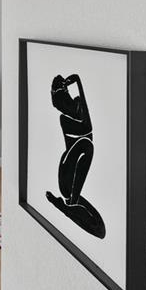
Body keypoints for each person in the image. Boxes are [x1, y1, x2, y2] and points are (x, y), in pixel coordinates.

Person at [45, 73, 106, 239]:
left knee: (86, 144)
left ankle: (67, 205)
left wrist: (78, 82)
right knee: (86, 145)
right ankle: (68, 205)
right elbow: (84, 125)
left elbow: (86, 124)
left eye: (61, 99)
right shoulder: (65, 119)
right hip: (66, 175)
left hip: (72, 171)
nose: (60, 107)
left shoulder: (77, 107)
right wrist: (77, 81)